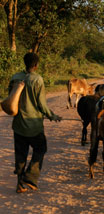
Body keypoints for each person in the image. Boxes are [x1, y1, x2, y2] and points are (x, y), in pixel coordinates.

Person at [8, 52, 62, 193]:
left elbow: (10, 99)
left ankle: (19, 184)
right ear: (36, 65)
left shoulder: (15, 77)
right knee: (40, 149)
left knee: (20, 154)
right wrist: (53, 116)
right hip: (34, 126)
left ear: (25, 63)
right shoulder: (37, 80)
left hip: (18, 124)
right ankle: (30, 177)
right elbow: (41, 104)